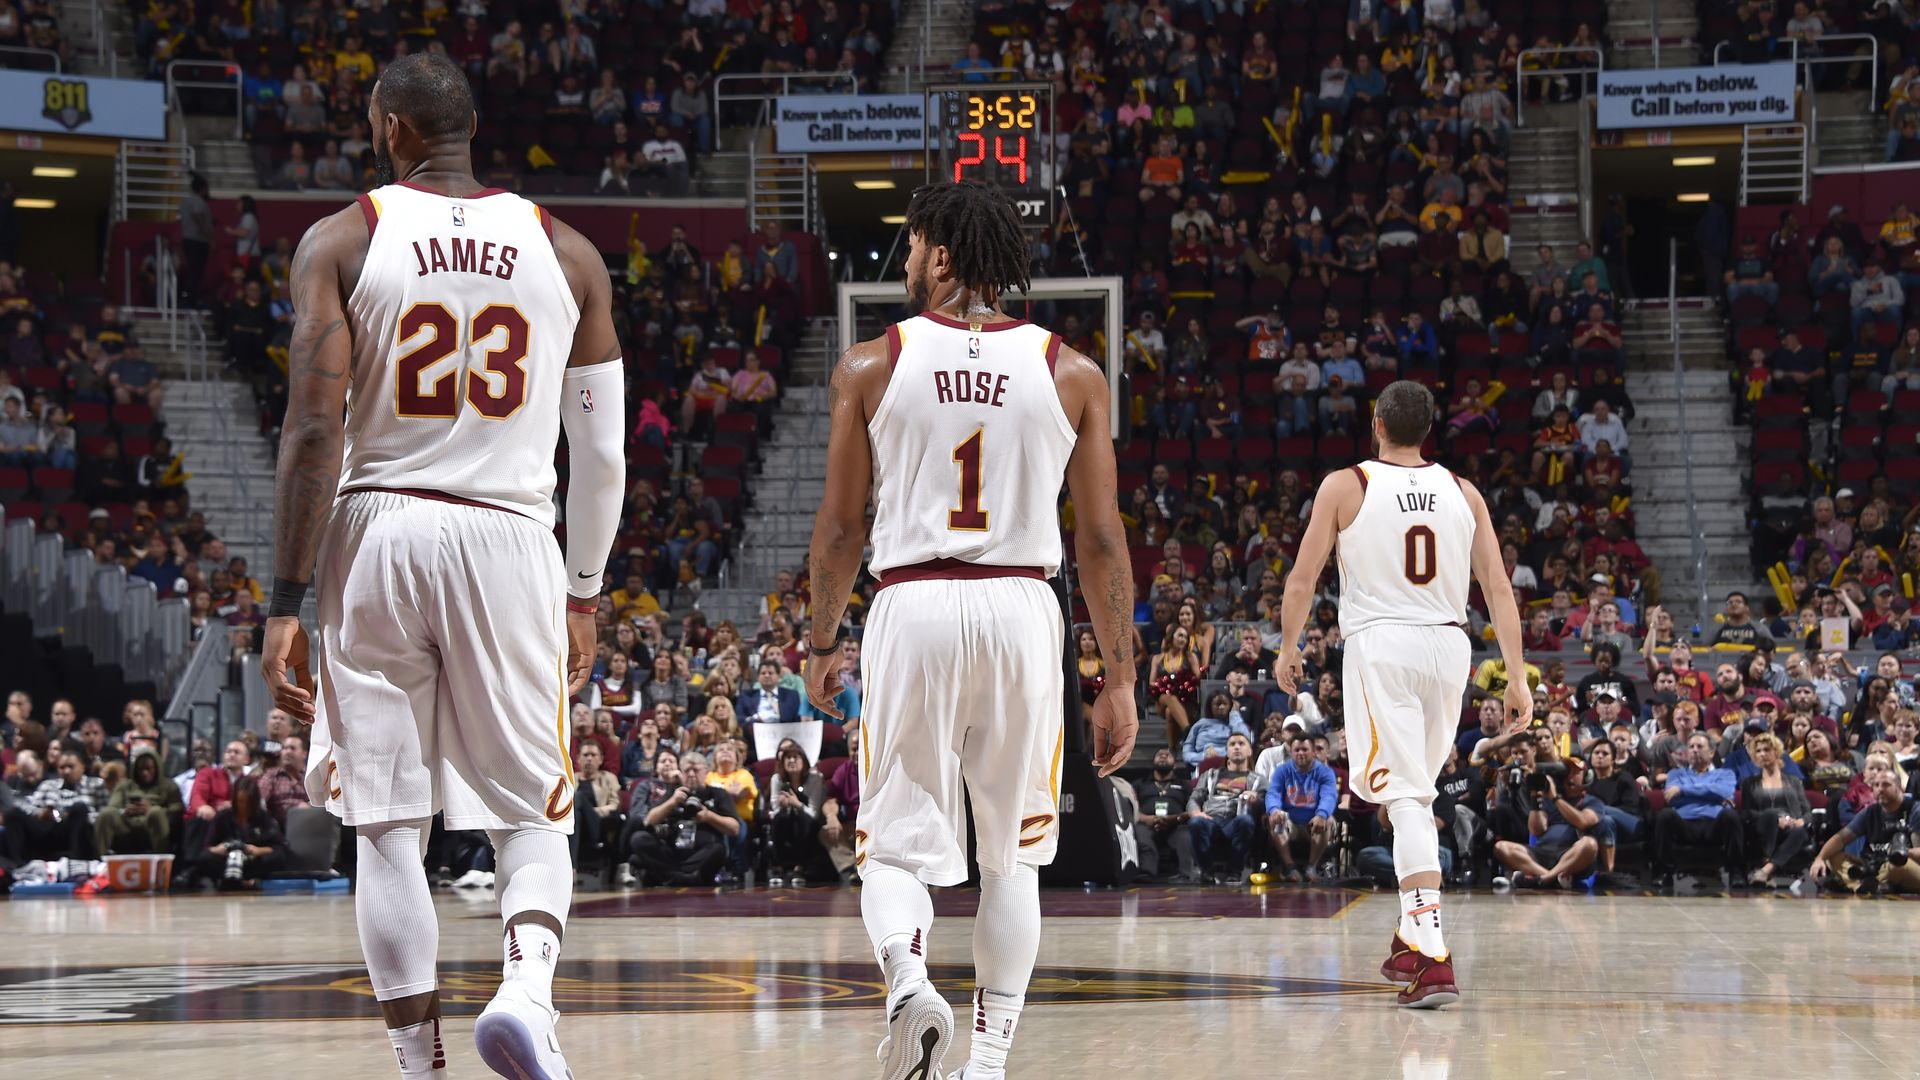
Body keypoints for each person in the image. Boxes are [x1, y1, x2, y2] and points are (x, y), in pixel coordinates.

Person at [256, 53, 625, 1080]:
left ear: (389, 131)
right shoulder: (569, 252)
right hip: (508, 532)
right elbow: (600, 454)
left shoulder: (341, 238)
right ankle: (525, 992)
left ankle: (422, 1069)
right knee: (531, 807)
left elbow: (309, 430)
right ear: (470, 130)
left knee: (385, 824)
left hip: (376, 528)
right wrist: (584, 590)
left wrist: (285, 598)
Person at [800, 179, 1138, 1080]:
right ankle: (986, 1063)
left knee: (891, 841)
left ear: (941, 256)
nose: (904, 262)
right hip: (1026, 608)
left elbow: (837, 528)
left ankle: (911, 985)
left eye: (911, 246)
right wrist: (1120, 677)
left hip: (914, 603)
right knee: (1013, 857)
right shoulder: (1073, 372)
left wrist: (821, 639)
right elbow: (1102, 539)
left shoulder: (873, 364)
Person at [1276, 379, 1533, 1008]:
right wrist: (1519, 674)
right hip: (1450, 647)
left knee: (1408, 797)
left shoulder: (1347, 484)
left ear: (1376, 423)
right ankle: (1409, 939)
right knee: (1407, 792)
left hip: (1383, 643)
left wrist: (1287, 647)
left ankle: (1434, 953)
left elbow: (1303, 575)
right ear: (1429, 429)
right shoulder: (1463, 491)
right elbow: (1499, 589)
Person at [1263, 732, 1339, 881]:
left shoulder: (1325, 772)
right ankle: (1290, 867)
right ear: (1291, 752)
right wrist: (1274, 810)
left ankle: (1311, 867)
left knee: (1327, 820)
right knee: (1275, 820)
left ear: (1313, 752)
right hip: (1291, 822)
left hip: (1314, 820)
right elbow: (1273, 793)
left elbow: (1329, 796)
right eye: (1297, 750)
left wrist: (1322, 814)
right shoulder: (1282, 771)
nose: (1301, 753)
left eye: (1305, 749)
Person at [194, 774, 288, 887]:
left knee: (278, 857)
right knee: (206, 857)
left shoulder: (263, 818)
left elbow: (280, 845)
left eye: (248, 803)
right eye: (240, 801)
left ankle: (239, 880)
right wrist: (220, 849)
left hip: (252, 861)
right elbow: (207, 847)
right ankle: (241, 881)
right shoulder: (223, 817)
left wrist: (258, 850)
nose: (243, 806)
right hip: (226, 860)